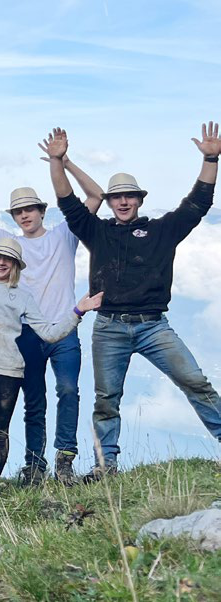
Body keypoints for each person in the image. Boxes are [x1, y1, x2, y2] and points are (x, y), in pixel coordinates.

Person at [47, 123, 221, 482]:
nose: (123, 202)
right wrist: (57, 162)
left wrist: (210, 158)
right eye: (117, 197)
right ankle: (105, 467)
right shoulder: (99, 231)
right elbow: (67, 203)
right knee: (106, 399)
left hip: (153, 326)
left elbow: (198, 204)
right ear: (110, 203)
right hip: (109, 326)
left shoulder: (162, 230)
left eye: (129, 196)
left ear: (139, 200)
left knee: (195, 382)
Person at [0, 191, 103, 507]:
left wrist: (77, 310)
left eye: (8, 259)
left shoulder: (24, 297)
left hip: (8, 370)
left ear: (15, 265)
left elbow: (47, 331)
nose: (2, 262)